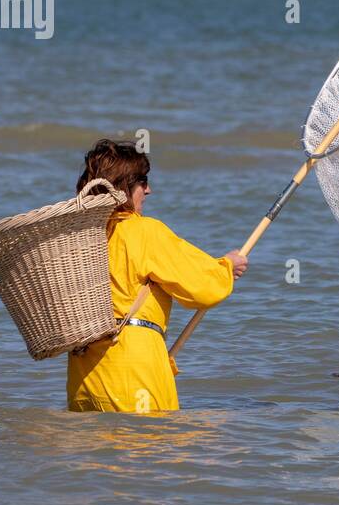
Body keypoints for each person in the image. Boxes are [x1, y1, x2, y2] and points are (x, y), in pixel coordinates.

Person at [66, 139, 247, 413]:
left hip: (83, 374)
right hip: (134, 371)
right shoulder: (146, 232)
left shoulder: (79, 237)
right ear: (124, 187)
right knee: (150, 450)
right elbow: (204, 288)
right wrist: (226, 267)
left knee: (93, 452)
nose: (148, 190)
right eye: (142, 181)